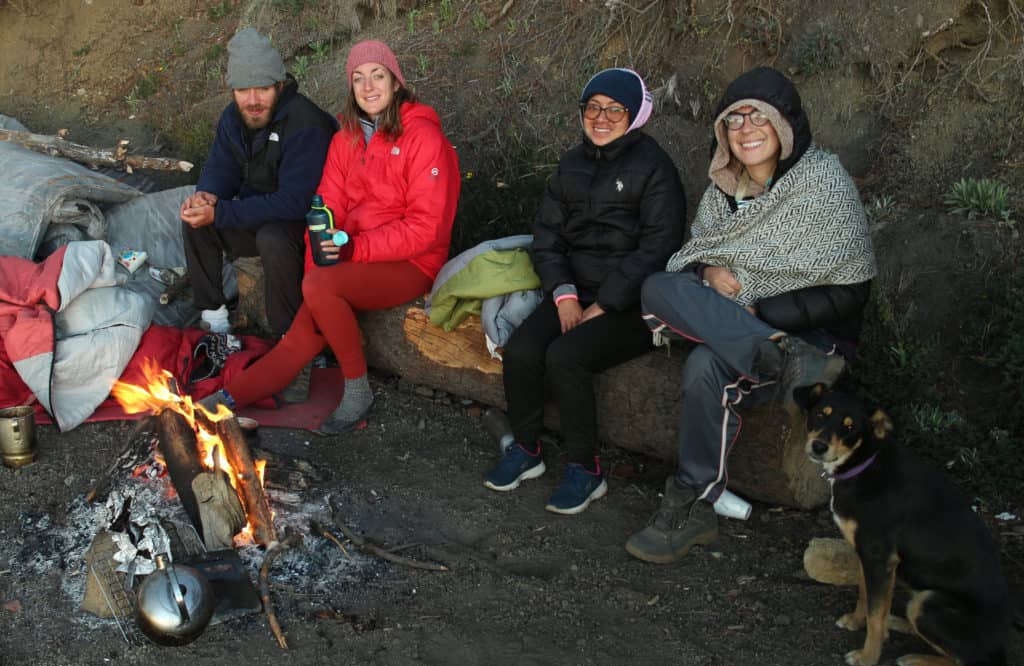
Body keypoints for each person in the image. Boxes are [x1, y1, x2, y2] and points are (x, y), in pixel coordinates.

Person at [625, 67, 877, 564]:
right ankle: (694, 505)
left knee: (701, 361)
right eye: (733, 120)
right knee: (658, 286)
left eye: (758, 117)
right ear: (723, 135)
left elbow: (851, 290)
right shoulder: (723, 190)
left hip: (812, 341)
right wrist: (707, 270)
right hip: (753, 341)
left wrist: (761, 308)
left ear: (784, 127)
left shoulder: (821, 181)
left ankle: (693, 492)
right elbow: (695, 256)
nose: (745, 129)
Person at [201, 40, 460, 433]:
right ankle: (225, 400)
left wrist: (350, 252)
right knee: (298, 338)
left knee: (322, 288)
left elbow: (427, 229)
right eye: (358, 79)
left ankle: (357, 391)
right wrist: (316, 265)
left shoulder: (423, 139)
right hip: (350, 256)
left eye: (377, 76)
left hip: (411, 261)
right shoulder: (346, 139)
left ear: (396, 82)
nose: (368, 87)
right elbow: (324, 208)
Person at [483, 68, 687, 515]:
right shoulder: (572, 164)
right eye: (592, 107)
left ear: (635, 115)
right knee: (521, 351)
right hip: (574, 290)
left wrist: (605, 304)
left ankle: (585, 467)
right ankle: (527, 448)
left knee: (565, 355)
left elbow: (659, 246)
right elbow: (547, 237)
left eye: (615, 109)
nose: (601, 118)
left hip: (635, 302)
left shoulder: (654, 168)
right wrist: (564, 294)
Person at [180, 27, 337, 343]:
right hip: (258, 214)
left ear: (280, 85)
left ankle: (289, 336)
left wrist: (223, 212)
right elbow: (221, 166)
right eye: (242, 90)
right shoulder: (233, 118)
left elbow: (295, 201)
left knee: (272, 237)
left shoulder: (306, 123)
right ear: (232, 91)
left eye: (262, 89)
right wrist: (208, 195)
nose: (252, 101)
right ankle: (215, 320)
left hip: (311, 226)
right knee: (196, 220)